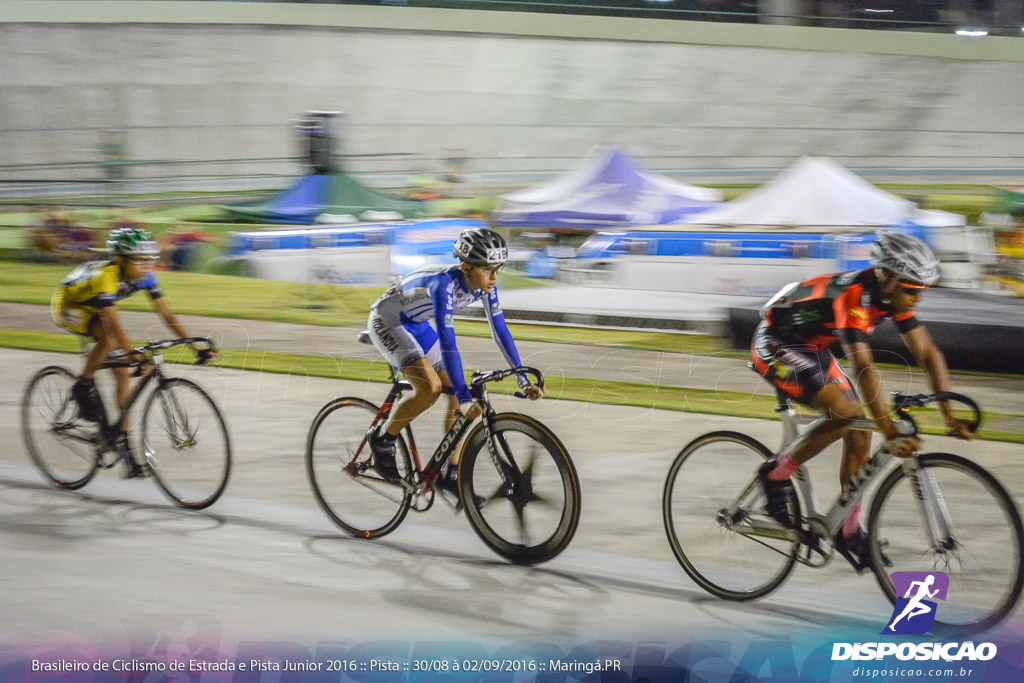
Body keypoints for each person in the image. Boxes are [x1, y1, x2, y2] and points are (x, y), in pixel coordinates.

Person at [751, 231, 975, 572]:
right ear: (888, 279)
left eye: (923, 290)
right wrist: (889, 430)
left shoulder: (891, 296)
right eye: (913, 290)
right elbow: (864, 366)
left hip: (811, 346)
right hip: (776, 341)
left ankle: (848, 528)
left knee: (860, 428)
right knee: (847, 413)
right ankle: (776, 474)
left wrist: (948, 413)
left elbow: (928, 352)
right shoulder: (853, 295)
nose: (918, 298)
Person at [365, 227, 544, 492]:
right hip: (387, 321)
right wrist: (463, 399)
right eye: (487, 269)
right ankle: (382, 440)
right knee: (431, 388)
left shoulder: (485, 285)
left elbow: (500, 331)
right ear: (465, 267)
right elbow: (449, 343)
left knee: (456, 388)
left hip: (415, 323)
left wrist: (521, 379)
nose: (494, 277)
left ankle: (451, 471)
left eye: (499, 269)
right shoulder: (443, 285)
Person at [51, 227, 215, 478]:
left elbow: (166, 314)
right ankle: (82, 387)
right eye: (139, 260)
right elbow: (112, 320)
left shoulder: (146, 276)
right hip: (69, 305)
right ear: (121, 259)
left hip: (94, 309)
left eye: (149, 259)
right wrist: (130, 353)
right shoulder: (107, 274)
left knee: (122, 376)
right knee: (107, 337)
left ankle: (125, 448)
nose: (146, 265)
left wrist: (193, 346)